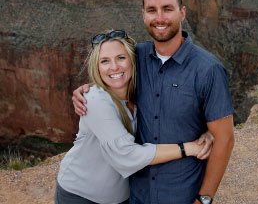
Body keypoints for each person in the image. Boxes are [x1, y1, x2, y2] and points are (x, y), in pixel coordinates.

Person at [73, 0, 234, 204]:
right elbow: (112, 74)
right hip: (138, 193)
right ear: (143, 15)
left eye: (167, 9)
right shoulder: (135, 57)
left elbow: (224, 139)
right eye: (152, 10)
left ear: (182, 13)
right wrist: (87, 90)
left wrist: (204, 198)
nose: (159, 18)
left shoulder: (208, 70)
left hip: (182, 194)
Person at [57, 29, 213, 204]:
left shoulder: (143, 91)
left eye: (121, 58)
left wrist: (208, 131)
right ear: (97, 67)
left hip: (123, 197)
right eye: (105, 61)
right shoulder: (95, 101)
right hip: (81, 196)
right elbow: (127, 155)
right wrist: (187, 148)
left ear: (133, 60)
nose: (114, 67)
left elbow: (180, 109)